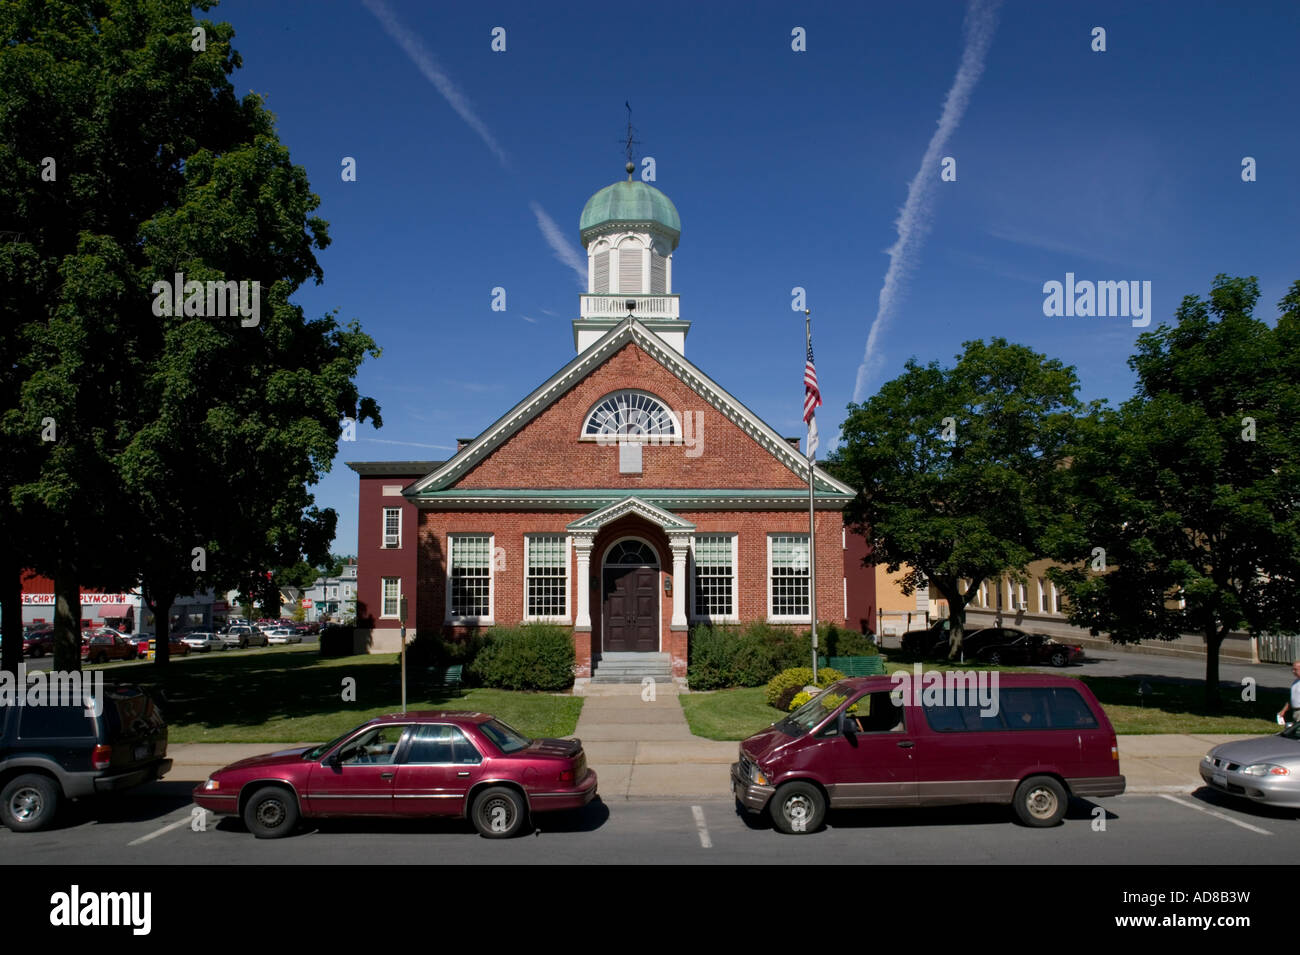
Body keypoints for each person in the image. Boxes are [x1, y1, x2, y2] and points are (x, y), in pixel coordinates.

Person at [1277, 661, 1300, 725]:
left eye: (1295, 669)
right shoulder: (1295, 682)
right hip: (1295, 712)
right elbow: (1292, 699)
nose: (1293, 671)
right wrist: (1283, 711)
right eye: (1292, 669)